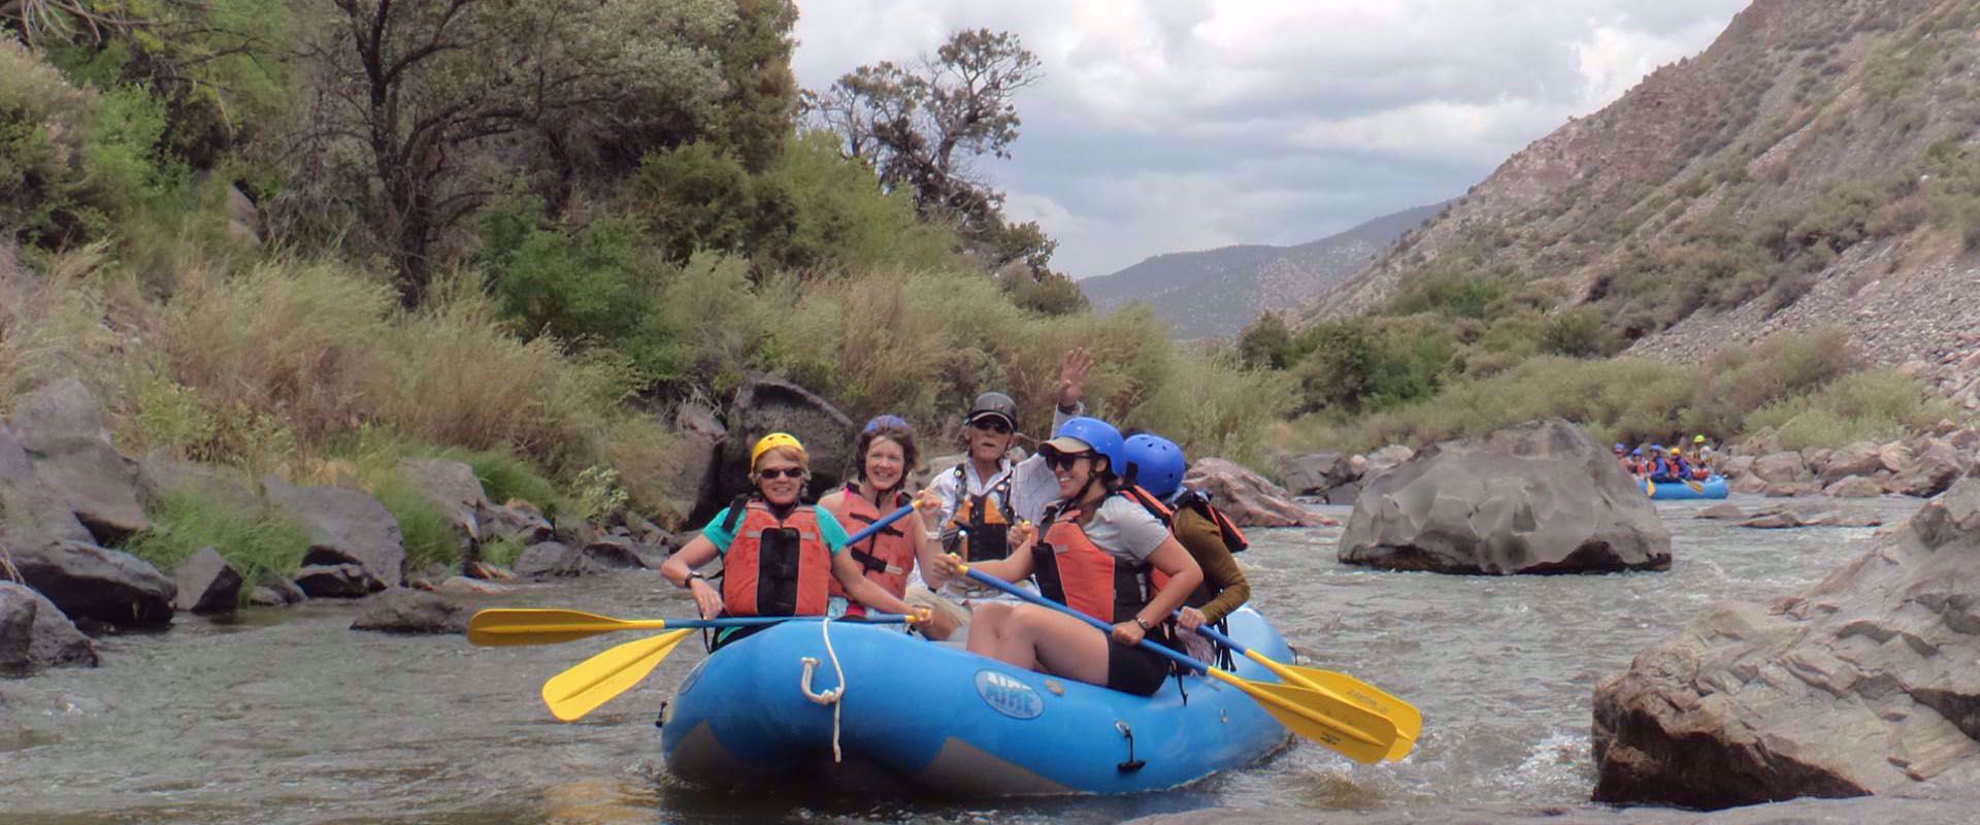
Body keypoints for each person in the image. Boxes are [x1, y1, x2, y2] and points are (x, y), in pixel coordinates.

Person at [931, 417, 1205, 696]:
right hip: (1076, 640)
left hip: (1129, 651)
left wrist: (1140, 623)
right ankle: (978, 699)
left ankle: (1002, 707)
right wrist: (960, 568)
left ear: (1100, 465)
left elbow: (1189, 572)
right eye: (1054, 461)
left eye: (1068, 461)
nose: (1059, 469)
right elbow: (1009, 569)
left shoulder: (1123, 515)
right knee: (989, 614)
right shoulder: (1056, 515)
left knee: (1026, 619)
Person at [660, 432, 927, 650]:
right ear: (756, 478)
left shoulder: (822, 521)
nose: (782, 480)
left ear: (803, 477)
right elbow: (673, 565)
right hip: (742, 635)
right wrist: (696, 582)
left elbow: (858, 586)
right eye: (771, 473)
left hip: (805, 636)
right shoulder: (734, 518)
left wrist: (909, 611)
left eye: (792, 472)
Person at [907, 348, 1092, 634]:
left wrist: (1067, 406)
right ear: (968, 432)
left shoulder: (1026, 479)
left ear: (1010, 439)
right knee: (913, 599)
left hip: (1009, 601)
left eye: (1000, 428)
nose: (990, 433)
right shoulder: (944, 484)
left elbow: (1061, 447)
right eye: (983, 425)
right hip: (955, 599)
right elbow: (927, 550)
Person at [1120, 433, 1251, 666]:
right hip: (1140, 620)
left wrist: (1204, 614)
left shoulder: (1191, 527)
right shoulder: (1117, 514)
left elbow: (1239, 587)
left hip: (1188, 637)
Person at [816, 415, 952, 635]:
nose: (884, 465)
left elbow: (934, 578)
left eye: (893, 458)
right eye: (876, 456)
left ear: (905, 464)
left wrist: (931, 522)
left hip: (888, 622)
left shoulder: (913, 517)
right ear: (864, 459)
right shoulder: (831, 506)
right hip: (833, 614)